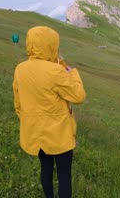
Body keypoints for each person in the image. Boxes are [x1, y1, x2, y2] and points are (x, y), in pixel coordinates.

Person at [13, 26, 86, 198]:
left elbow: (18, 103)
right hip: (59, 134)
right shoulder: (56, 71)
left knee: (45, 170)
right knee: (63, 175)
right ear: (52, 46)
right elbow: (79, 96)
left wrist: (29, 121)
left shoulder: (20, 69)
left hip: (35, 133)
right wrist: (73, 73)